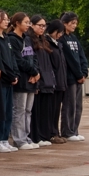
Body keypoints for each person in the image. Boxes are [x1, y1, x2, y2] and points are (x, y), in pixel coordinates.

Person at [7, 12, 40, 150]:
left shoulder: (27, 39)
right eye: (26, 22)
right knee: (19, 110)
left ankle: (26, 137)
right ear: (17, 23)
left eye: (29, 22)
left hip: (31, 80)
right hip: (21, 80)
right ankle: (19, 139)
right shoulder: (12, 39)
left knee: (28, 110)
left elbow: (34, 57)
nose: (28, 25)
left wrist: (36, 72)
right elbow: (18, 60)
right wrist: (33, 71)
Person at [0, 10, 19, 153]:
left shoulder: (6, 38)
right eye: (4, 19)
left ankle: (4, 138)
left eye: (7, 19)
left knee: (8, 111)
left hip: (10, 80)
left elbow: (12, 58)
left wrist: (16, 74)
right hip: (1, 80)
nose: (7, 22)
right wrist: (9, 75)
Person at [60, 12, 88, 141]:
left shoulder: (74, 38)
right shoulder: (62, 39)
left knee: (78, 106)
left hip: (79, 78)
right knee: (69, 105)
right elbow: (70, 59)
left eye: (76, 23)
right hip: (70, 78)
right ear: (64, 23)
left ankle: (75, 130)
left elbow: (81, 56)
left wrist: (84, 72)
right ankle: (67, 131)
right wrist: (78, 74)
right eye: (72, 23)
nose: (74, 25)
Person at [29, 15, 56, 146]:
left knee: (45, 110)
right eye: (39, 25)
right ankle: (36, 136)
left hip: (47, 80)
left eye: (44, 26)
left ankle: (44, 135)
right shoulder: (29, 40)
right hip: (38, 79)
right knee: (36, 111)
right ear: (32, 25)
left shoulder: (44, 41)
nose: (42, 28)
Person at [46, 20, 69, 143]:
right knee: (51, 109)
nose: (60, 35)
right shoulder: (47, 43)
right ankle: (51, 133)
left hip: (61, 81)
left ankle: (56, 131)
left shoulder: (58, 45)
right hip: (53, 82)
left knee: (57, 110)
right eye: (59, 32)